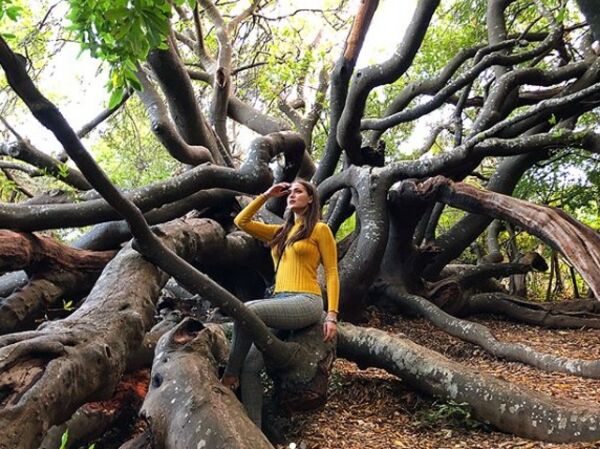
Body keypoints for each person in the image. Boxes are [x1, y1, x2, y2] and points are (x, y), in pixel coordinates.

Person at [221, 179, 339, 428]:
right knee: (251, 366)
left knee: (248, 310)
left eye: (299, 191)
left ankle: (229, 375)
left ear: (310, 199)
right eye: (290, 192)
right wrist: (266, 195)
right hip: (280, 302)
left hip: (307, 301)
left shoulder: (320, 229)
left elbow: (331, 272)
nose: (292, 195)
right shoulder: (281, 232)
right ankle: (255, 433)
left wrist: (332, 314)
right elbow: (241, 221)